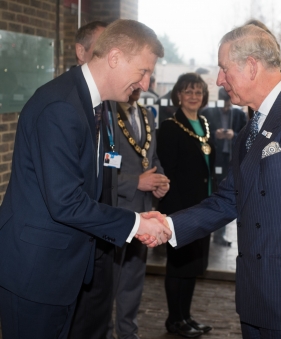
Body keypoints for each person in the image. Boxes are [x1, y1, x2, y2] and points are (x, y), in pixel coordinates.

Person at [142, 24, 281, 339]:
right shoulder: (249, 132)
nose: (218, 80)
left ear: (251, 66)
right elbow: (228, 199)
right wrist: (169, 225)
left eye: (223, 68)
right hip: (255, 300)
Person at [0, 19, 171, 339]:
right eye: (143, 71)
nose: (145, 84)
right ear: (116, 57)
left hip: (69, 268)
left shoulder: (99, 107)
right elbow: (65, 201)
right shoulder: (60, 106)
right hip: (37, 270)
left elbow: (100, 180)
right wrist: (136, 224)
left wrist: (136, 216)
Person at [67, 20, 119, 339]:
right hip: (77, 237)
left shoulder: (107, 104)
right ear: (81, 51)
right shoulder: (64, 105)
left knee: (99, 318)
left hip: (104, 235)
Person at [107, 88, 169, 339]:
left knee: (133, 277)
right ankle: (105, 333)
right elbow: (103, 168)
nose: (141, 86)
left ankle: (128, 332)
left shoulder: (146, 114)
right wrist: (135, 182)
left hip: (143, 209)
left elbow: (151, 157)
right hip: (116, 211)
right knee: (109, 279)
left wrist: (160, 180)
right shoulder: (106, 114)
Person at [156, 73, 215, 338]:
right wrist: (177, 215)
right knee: (178, 266)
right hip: (181, 210)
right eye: (188, 91)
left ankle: (187, 316)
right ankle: (174, 319)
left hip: (204, 207)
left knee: (193, 266)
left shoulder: (204, 122)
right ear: (178, 94)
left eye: (198, 92)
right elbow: (167, 174)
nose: (194, 96)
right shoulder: (170, 127)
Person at [201, 87, 247, 246]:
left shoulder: (239, 114)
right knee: (211, 196)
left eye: (228, 103)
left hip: (230, 161)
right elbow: (202, 136)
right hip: (213, 162)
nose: (226, 107)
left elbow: (246, 136)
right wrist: (215, 134)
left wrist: (233, 135)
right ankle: (205, 233)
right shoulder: (208, 113)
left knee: (225, 197)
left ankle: (220, 236)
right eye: (224, 103)